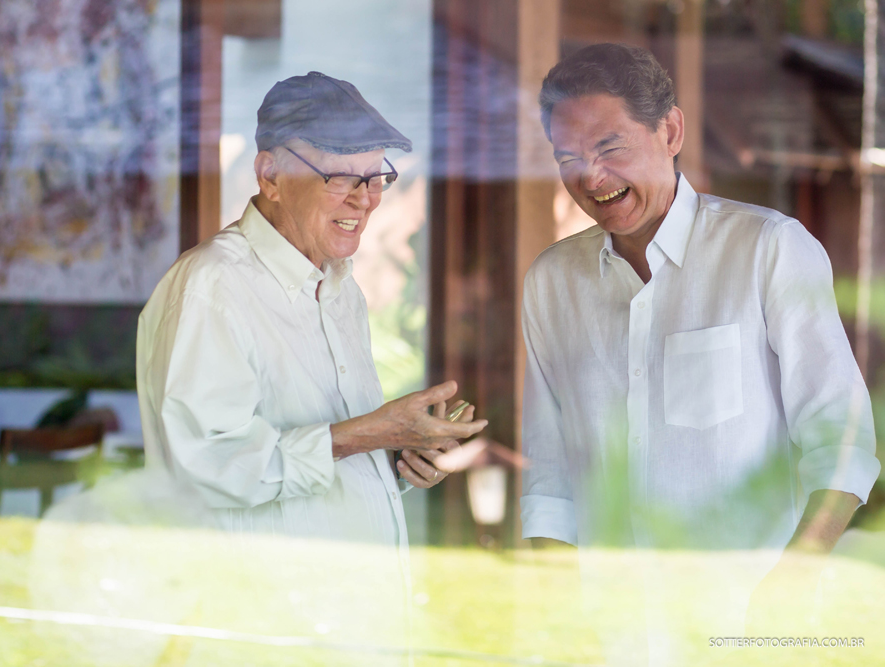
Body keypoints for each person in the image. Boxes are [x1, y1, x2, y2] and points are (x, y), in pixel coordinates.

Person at [520, 43, 880, 661]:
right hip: (611, 642)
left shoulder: (768, 249)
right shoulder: (551, 283)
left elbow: (841, 441)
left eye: (610, 148)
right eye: (569, 157)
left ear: (671, 130)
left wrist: (794, 576)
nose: (592, 178)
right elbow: (551, 476)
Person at [136, 71, 487, 549]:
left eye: (375, 176)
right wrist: (366, 435)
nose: (364, 199)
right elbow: (206, 469)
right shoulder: (211, 287)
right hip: (266, 610)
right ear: (271, 176)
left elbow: (324, 460)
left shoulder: (339, 287)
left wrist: (399, 455)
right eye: (340, 175)